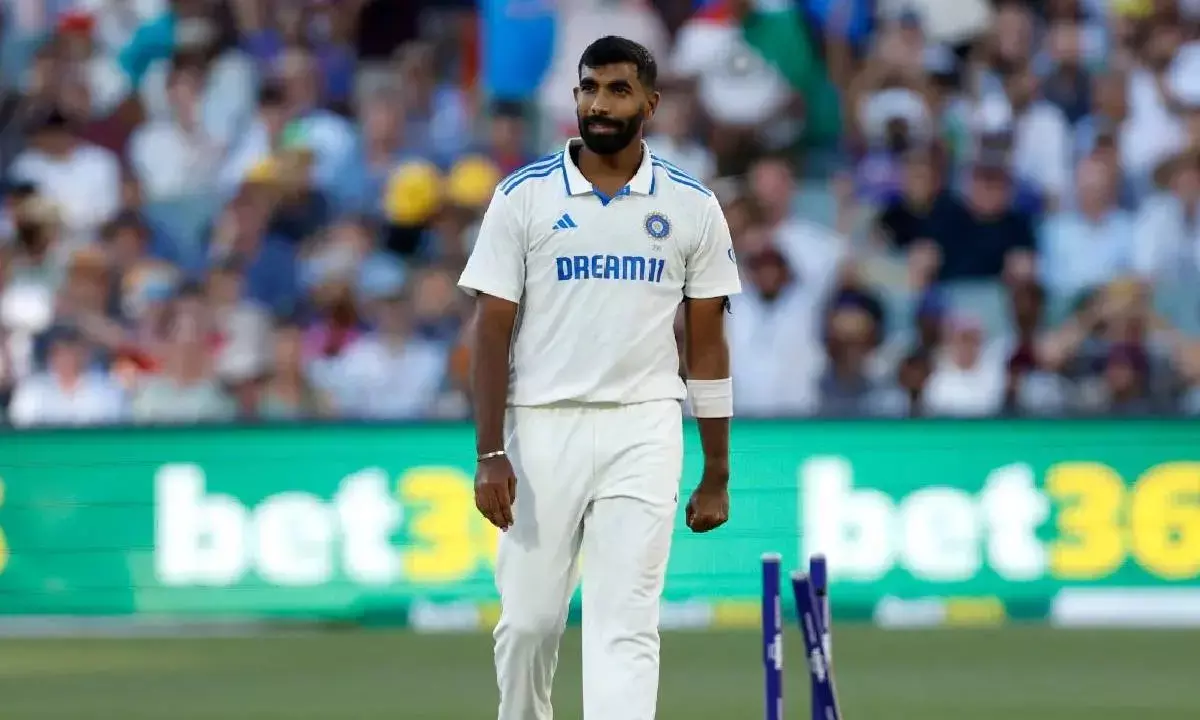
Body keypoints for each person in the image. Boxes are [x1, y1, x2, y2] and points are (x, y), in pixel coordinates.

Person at [457, 36, 742, 720]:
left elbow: (706, 345)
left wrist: (717, 469)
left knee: (624, 627)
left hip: (642, 426)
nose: (600, 103)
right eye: (589, 88)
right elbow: (491, 330)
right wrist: (489, 452)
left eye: (618, 89)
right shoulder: (522, 197)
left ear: (650, 101)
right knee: (527, 625)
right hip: (541, 425)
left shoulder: (691, 205)